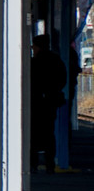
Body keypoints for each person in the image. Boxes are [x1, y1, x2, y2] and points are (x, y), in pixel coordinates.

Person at [30, 33, 67, 173]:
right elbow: (63, 79)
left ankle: (32, 163)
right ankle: (50, 163)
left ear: (38, 46)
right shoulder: (56, 60)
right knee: (49, 133)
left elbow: (30, 81)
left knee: (32, 133)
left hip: (35, 102)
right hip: (51, 102)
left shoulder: (34, 62)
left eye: (34, 46)